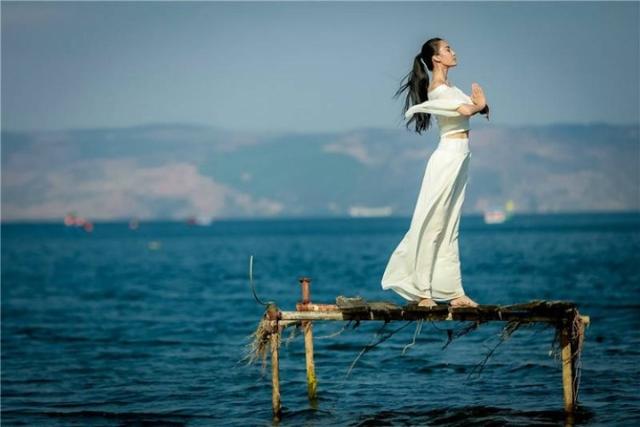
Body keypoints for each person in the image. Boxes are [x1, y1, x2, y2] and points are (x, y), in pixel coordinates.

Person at [380, 38, 489, 308]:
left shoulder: (452, 88)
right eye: (448, 49)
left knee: (450, 226)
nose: (454, 52)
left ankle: (453, 291)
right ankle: (422, 291)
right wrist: (478, 105)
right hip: (447, 158)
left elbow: (470, 108)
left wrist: (481, 106)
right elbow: (466, 109)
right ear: (436, 58)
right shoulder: (438, 90)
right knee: (433, 223)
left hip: (461, 156)